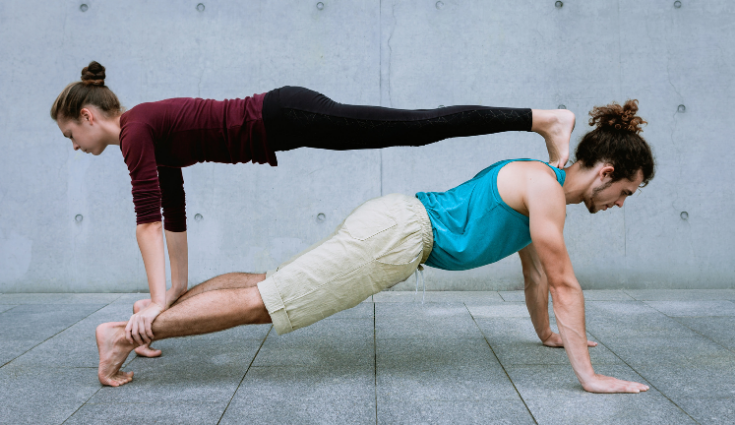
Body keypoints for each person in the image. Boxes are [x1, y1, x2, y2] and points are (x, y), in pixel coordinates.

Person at [96, 100, 654, 393]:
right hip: (399, 237)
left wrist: (548, 334)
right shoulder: (545, 188)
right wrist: (588, 376)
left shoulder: (544, 191)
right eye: (625, 191)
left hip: (395, 224)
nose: (621, 204)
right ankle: (124, 334)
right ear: (606, 172)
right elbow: (563, 282)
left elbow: (536, 277)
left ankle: (152, 315)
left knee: (269, 287)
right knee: (267, 303)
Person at [52, 61, 575, 355]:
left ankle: (544, 119)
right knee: (416, 128)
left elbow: (147, 222)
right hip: (285, 121)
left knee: (418, 126)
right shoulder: (144, 130)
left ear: (89, 115)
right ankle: (541, 120)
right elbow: (173, 209)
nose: (74, 146)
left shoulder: (136, 130)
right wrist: (172, 293)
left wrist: (157, 303)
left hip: (285, 114)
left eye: (71, 135)